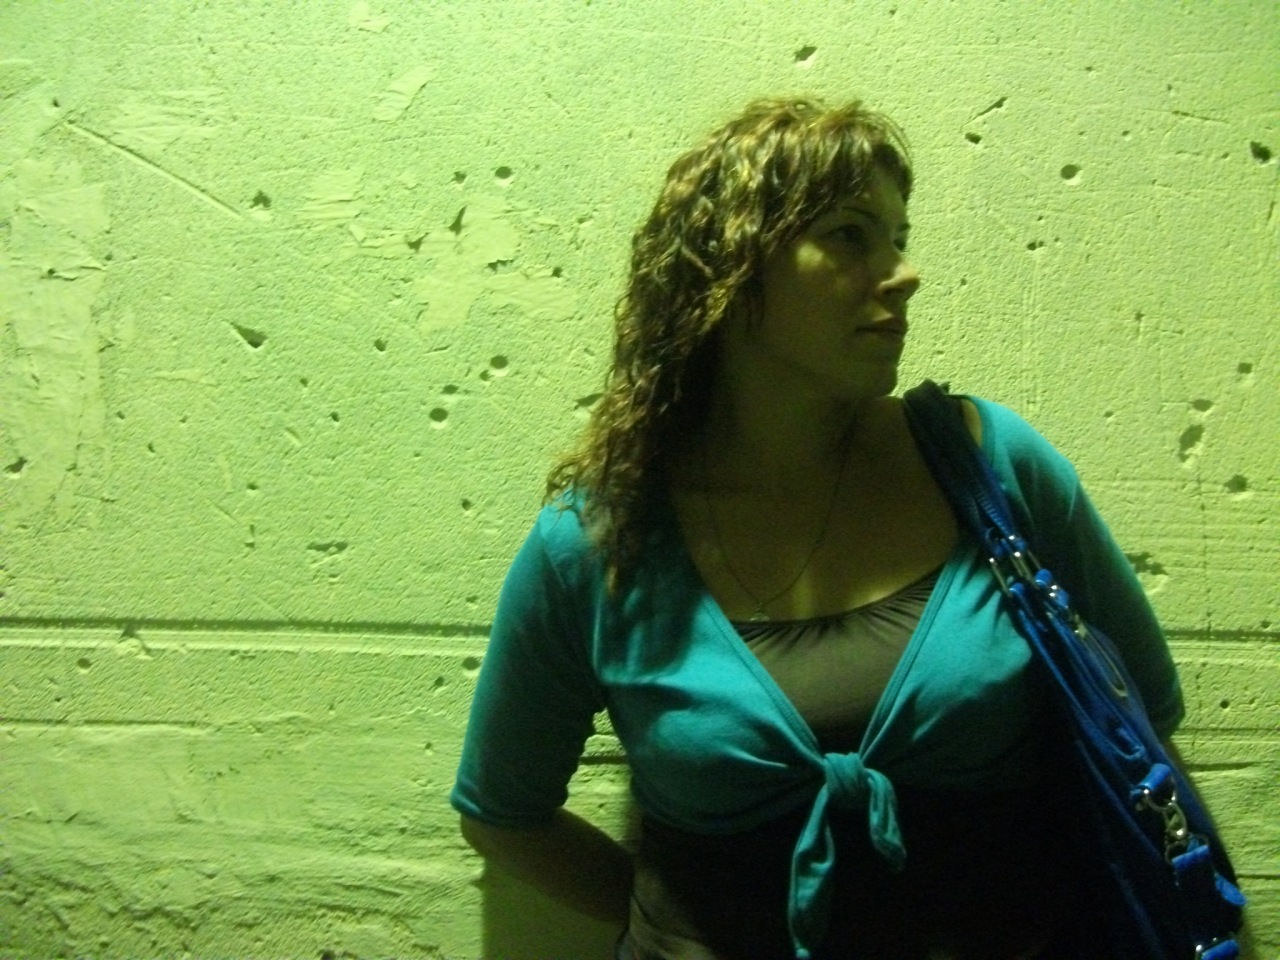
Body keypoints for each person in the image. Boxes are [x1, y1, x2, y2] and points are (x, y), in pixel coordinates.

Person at [450, 97, 1187, 959]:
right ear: (731, 269)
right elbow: (504, 816)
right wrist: (680, 924)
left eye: (898, 237)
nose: (904, 272)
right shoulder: (599, 541)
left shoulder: (991, 469)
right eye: (849, 235)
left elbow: (1143, 718)